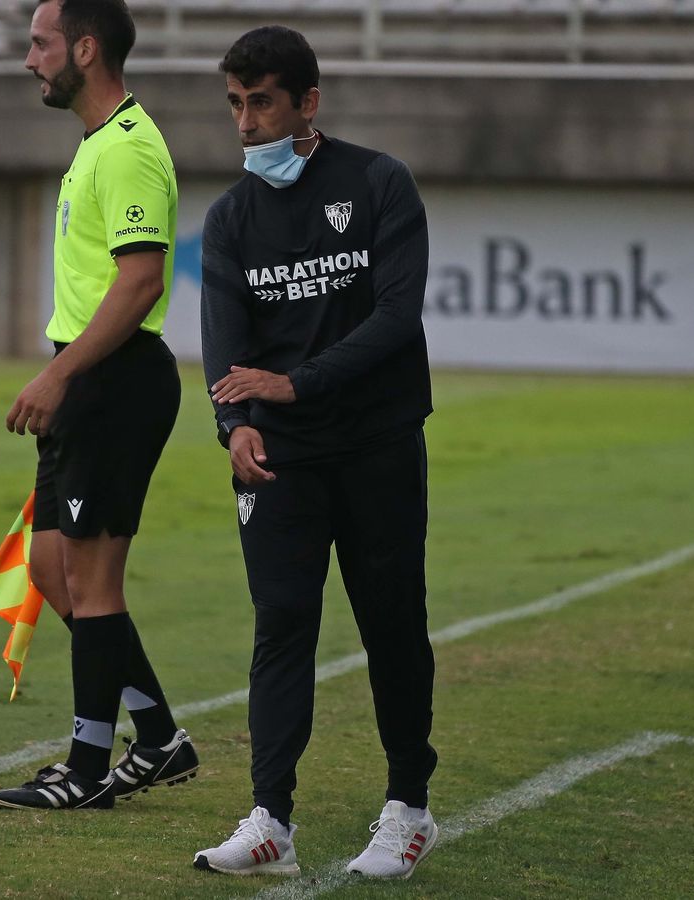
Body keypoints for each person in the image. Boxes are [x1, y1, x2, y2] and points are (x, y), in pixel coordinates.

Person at [192, 25, 440, 881]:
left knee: (392, 625)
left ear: (308, 102)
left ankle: (408, 808)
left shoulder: (377, 182)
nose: (247, 122)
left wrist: (296, 385)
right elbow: (224, 347)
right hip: (283, 460)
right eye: (235, 104)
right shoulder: (229, 219)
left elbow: (396, 318)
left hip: (375, 445)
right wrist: (239, 426)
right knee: (282, 626)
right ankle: (270, 824)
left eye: (262, 102)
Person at [0, 0, 197, 812]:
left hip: (113, 381)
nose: (29, 58)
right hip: (89, 380)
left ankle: (84, 769)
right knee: (50, 568)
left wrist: (57, 376)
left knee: (92, 578)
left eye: (40, 44)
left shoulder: (130, 151)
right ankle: (162, 736)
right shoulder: (97, 146)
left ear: (85, 47)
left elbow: (142, 281)